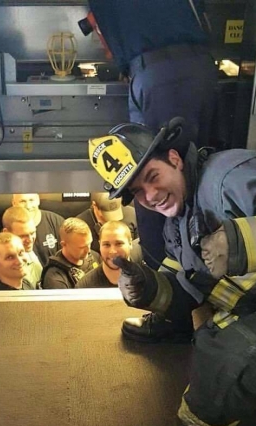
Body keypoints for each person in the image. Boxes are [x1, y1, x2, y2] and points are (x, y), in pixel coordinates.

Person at [88, 117, 256, 426]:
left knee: (235, 352)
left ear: (174, 158)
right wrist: (148, 288)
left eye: (152, 176)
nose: (151, 196)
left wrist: (238, 242)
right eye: (138, 191)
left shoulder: (231, 177)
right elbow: (187, 284)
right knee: (217, 339)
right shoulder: (179, 220)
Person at [85, 0, 218, 270]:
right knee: (178, 175)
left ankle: (167, 283)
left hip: (163, 69)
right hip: (167, 67)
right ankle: (178, 276)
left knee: (155, 175)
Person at [41, 218, 100, 289]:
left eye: (89, 244)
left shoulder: (95, 256)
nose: (88, 250)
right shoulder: (55, 279)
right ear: (64, 244)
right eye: (82, 247)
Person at [76, 220, 133, 289]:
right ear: (99, 245)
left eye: (118, 244)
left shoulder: (144, 279)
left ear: (130, 243)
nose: (112, 251)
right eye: (106, 245)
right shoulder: (85, 287)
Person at [11, 193, 64, 267]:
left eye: (31, 200)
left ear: (38, 200)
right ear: (14, 203)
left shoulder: (56, 221)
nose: (28, 206)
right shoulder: (9, 227)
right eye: (22, 201)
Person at [2, 206, 42, 288]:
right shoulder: (2, 264)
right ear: (6, 233)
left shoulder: (29, 252)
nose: (30, 240)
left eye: (32, 233)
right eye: (23, 236)